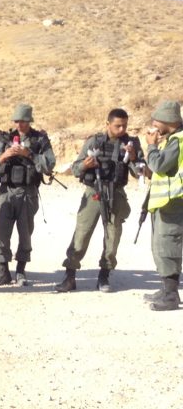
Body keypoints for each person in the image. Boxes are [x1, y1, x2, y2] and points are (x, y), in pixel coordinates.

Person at [55, 108, 145, 293]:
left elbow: (140, 173)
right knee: (81, 235)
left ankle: (104, 275)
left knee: (112, 239)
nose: (121, 129)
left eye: (124, 125)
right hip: (94, 193)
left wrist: (134, 157)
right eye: (117, 125)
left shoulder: (131, 143)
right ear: (108, 124)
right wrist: (85, 165)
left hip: (116, 194)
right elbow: (76, 168)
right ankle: (70, 275)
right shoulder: (94, 141)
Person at [0, 103, 55, 286]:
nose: (19, 125)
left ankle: (21, 271)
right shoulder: (5, 138)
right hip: (6, 191)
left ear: (29, 121)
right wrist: (5, 155)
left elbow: (49, 164)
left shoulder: (40, 140)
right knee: (2, 232)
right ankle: (3, 272)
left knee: (25, 233)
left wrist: (29, 154)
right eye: (16, 121)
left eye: (23, 121)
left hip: (28, 192)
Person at [142, 100, 183, 311]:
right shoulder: (173, 139)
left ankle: (170, 295)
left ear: (168, 120)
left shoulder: (178, 140)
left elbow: (158, 164)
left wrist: (151, 146)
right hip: (165, 203)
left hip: (173, 203)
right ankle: (165, 289)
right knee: (161, 246)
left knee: (168, 246)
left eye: (157, 120)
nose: (154, 124)